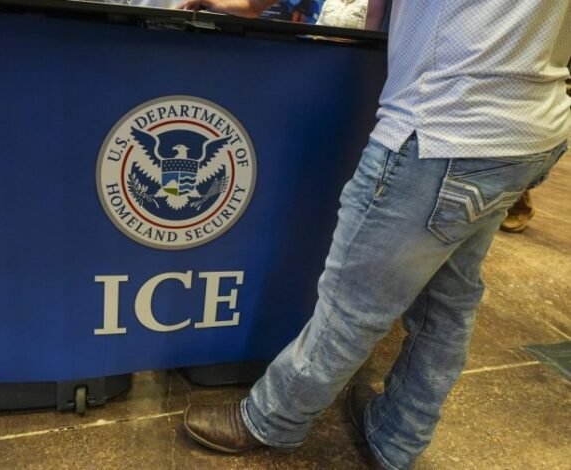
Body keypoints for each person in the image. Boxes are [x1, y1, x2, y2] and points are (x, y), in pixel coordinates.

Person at [175, 0, 571, 468]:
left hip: (442, 125)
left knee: (353, 305)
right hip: (531, 128)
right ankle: (398, 436)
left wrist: (239, 4)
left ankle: (272, 419)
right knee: (447, 302)